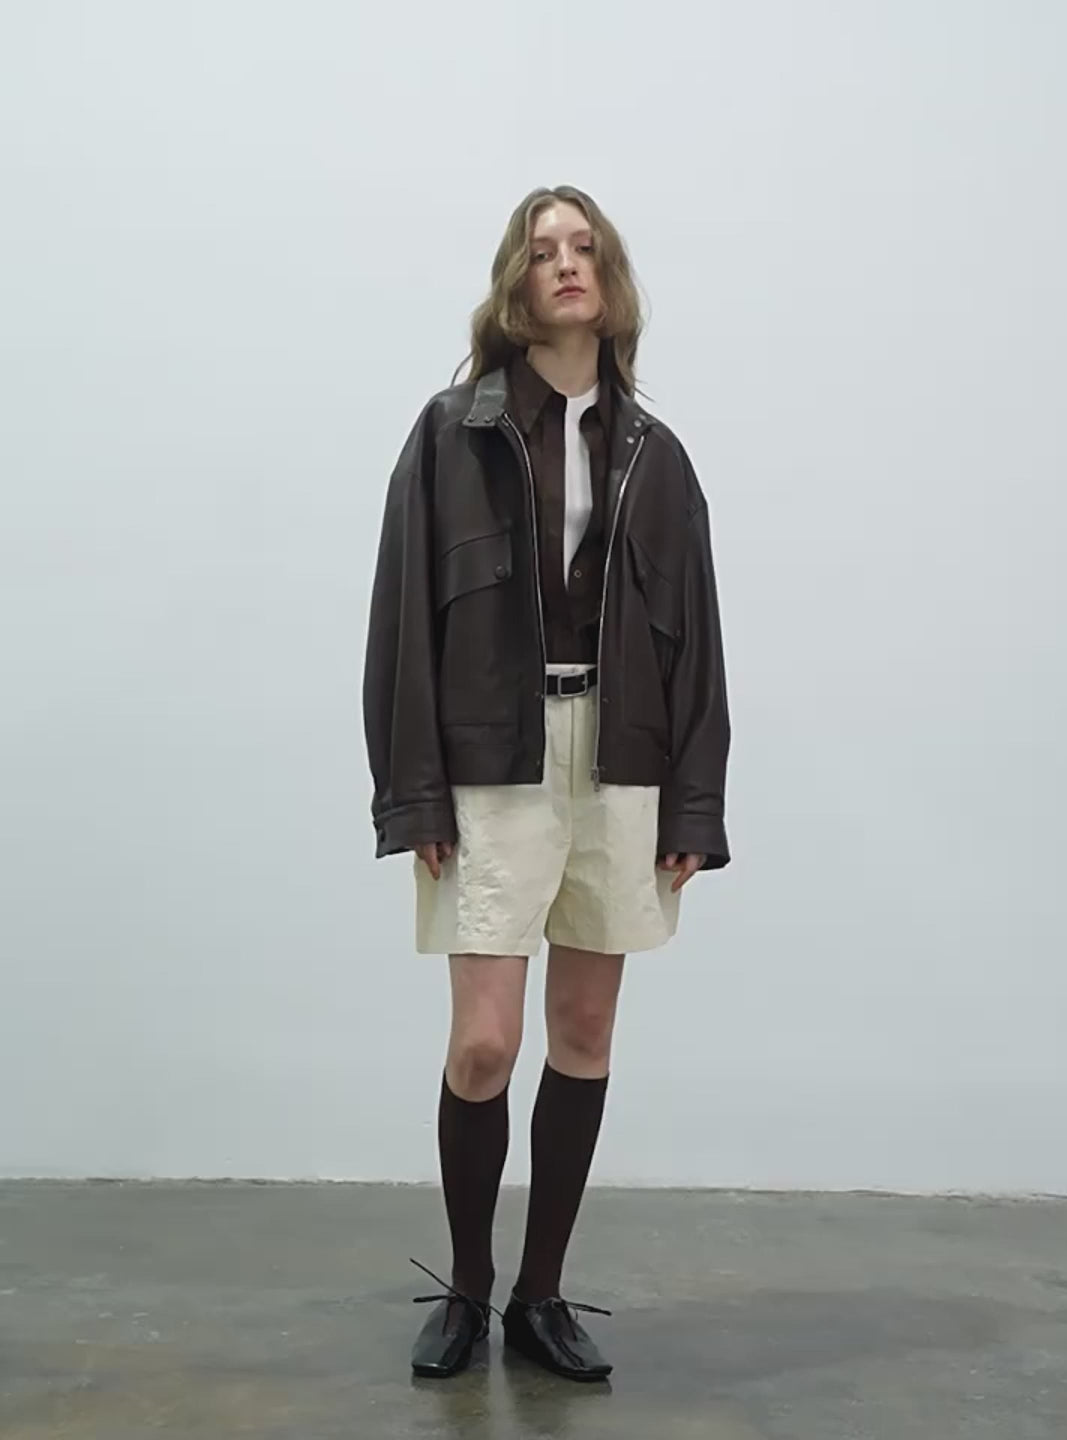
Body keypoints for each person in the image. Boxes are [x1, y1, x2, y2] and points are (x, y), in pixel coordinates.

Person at [362, 185, 731, 1383]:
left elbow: (699, 643)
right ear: (514, 284)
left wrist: (694, 804)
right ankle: (467, 1289)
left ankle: (539, 1296)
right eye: (541, 250)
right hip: (493, 763)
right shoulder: (452, 435)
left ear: (609, 279)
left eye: (584, 247)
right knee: (484, 1043)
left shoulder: (657, 458)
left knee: (583, 1031)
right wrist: (414, 793)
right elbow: (402, 620)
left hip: (621, 765)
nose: (565, 264)